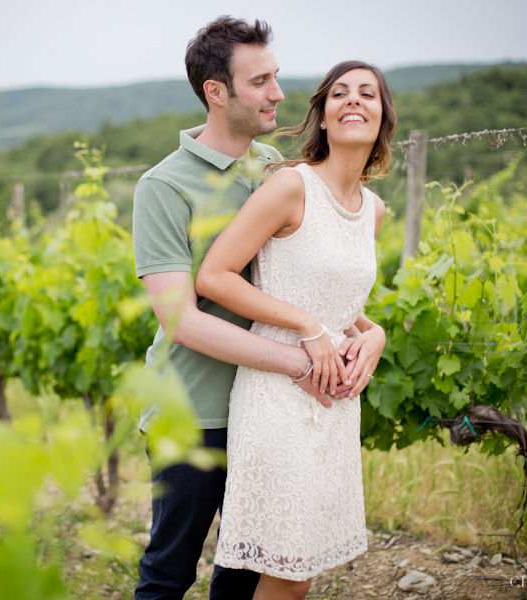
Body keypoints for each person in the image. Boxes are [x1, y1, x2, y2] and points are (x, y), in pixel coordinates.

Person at [132, 17, 359, 600]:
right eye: (260, 81)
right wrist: (299, 362)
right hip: (196, 410)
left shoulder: (276, 172)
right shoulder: (163, 187)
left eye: (276, 77)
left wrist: (368, 331)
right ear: (217, 92)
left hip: (268, 411)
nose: (278, 94)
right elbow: (179, 319)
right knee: (169, 572)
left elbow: (308, 281)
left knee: (247, 569)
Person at [195, 60, 396, 600]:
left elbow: (339, 301)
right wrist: (305, 324)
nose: (353, 101)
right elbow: (214, 276)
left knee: (297, 572)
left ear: (383, 119)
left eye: (367, 95)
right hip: (278, 388)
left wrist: (374, 334)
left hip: (332, 400)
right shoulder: (291, 187)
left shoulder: (373, 210)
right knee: (287, 570)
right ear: (324, 117)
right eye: (339, 94)